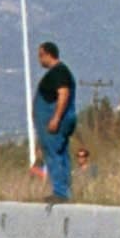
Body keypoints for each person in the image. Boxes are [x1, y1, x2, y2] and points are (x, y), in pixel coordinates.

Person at [35, 40, 76, 202]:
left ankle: (60, 192)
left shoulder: (59, 72)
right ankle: (65, 190)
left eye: (40, 55)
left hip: (56, 122)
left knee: (54, 154)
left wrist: (56, 118)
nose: (39, 59)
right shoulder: (59, 72)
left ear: (47, 54)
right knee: (61, 153)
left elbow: (63, 93)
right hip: (56, 120)